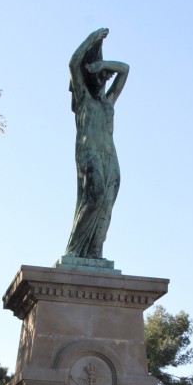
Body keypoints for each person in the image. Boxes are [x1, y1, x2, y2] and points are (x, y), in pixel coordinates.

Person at [65, 28, 129, 259]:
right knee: (95, 195)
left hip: (110, 156)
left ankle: (94, 253)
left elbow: (125, 69)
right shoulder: (83, 99)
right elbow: (73, 64)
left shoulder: (108, 103)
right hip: (88, 152)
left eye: (104, 77)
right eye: (98, 77)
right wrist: (93, 39)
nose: (102, 81)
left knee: (106, 205)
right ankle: (74, 250)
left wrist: (103, 65)